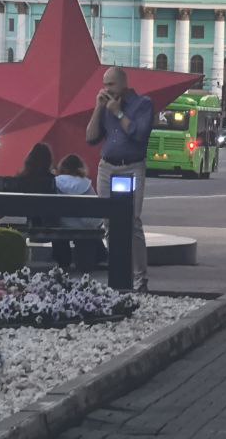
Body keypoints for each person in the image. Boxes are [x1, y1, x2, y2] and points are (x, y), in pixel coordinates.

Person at [85, 65, 155, 292]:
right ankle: (118, 273)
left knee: (132, 222)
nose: (107, 89)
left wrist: (118, 113)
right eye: (104, 84)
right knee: (108, 222)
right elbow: (90, 137)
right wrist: (99, 108)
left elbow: (139, 134)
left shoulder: (143, 104)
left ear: (124, 84)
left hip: (131, 166)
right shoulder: (105, 106)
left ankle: (140, 278)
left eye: (111, 84)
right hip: (107, 167)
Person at [54, 153, 105, 271]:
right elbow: (96, 213)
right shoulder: (86, 184)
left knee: (59, 231)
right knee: (89, 229)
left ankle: (63, 263)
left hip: (60, 224)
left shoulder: (55, 182)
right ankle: (88, 261)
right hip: (84, 226)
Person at [15, 142, 59, 231]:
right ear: (48, 160)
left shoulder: (21, 178)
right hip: (46, 222)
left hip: (28, 217)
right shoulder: (51, 179)